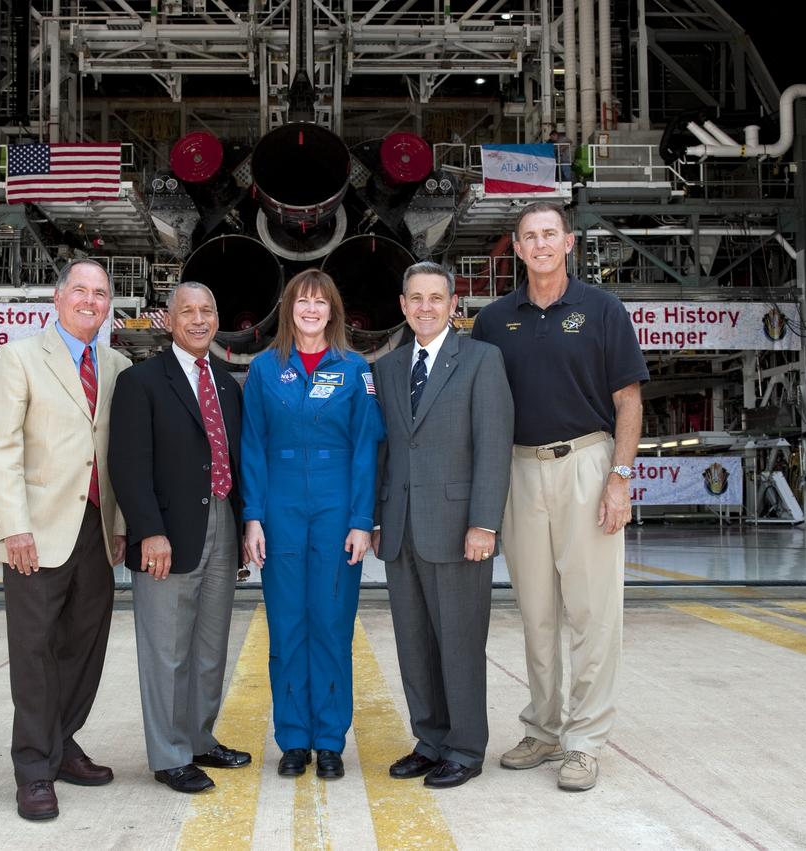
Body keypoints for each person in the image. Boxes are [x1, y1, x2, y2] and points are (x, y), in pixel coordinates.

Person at [472, 201, 648, 792]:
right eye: (530, 236)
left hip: (588, 462)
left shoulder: (602, 309)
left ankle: (585, 740)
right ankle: (544, 728)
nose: (541, 244)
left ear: (568, 243)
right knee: (537, 614)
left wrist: (619, 479)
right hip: (520, 470)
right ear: (517, 248)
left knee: (593, 614)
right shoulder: (494, 321)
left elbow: (629, 401)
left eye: (551, 234)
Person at [0, 258, 130, 820]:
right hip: (37, 533)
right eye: (80, 290)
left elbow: (117, 453)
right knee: (34, 650)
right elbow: (1, 449)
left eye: (100, 292)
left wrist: (118, 525)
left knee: (84, 648)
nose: (90, 300)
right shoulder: (19, 358)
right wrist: (14, 526)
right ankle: (33, 768)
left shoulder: (117, 365)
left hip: (96, 528)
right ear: (58, 296)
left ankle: (63, 742)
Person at [371, 262, 513, 789]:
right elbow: (385, 451)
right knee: (414, 643)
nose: (426, 307)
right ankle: (429, 741)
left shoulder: (481, 359)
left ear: (454, 304)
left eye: (436, 298)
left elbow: (493, 446)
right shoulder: (386, 369)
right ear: (403, 306)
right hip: (402, 527)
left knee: (458, 641)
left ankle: (466, 747)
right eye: (416, 298)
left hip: (458, 529)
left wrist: (484, 523)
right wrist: (381, 516)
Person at [108, 282, 251, 794]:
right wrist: (149, 532)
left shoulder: (229, 386)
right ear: (167, 320)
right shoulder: (141, 381)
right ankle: (169, 755)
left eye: (206, 310)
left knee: (210, 646)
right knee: (166, 648)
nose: (197, 319)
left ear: (217, 320)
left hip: (221, 526)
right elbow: (127, 465)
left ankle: (197, 737)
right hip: (167, 533)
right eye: (186, 311)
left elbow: (236, 460)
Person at [241, 269, 384, 780]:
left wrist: (361, 520)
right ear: (289, 309)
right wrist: (253, 517)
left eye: (320, 301)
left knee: (330, 623)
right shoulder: (262, 370)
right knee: (286, 625)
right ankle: (294, 740)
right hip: (279, 506)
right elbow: (252, 446)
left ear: (333, 311)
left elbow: (367, 447)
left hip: (336, 503)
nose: (310, 308)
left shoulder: (353, 369)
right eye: (301, 300)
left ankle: (329, 740)